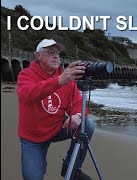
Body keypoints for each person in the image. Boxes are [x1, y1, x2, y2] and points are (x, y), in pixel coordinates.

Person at [16, 39, 94, 180]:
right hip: (33, 136)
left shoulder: (66, 78)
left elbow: (78, 103)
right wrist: (59, 81)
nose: (56, 56)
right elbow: (27, 94)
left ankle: (71, 169)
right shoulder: (26, 75)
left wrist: (77, 115)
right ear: (38, 56)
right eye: (50, 52)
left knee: (87, 124)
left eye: (57, 53)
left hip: (57, 128)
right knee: (32, 177)